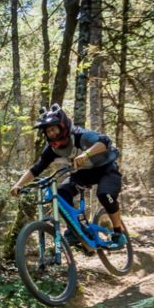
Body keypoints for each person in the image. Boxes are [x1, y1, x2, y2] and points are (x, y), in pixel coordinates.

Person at [10, 103, 125, 248]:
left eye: (53, 129)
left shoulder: (80, 136)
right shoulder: (51, 150)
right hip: (84, 174)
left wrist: (86, 154)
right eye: (48, 131)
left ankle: (118, 233)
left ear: (62, 126)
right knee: (62, 193)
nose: (51, 134)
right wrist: (18, 184)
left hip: (106, 169)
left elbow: (105, 142)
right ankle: (75, 230)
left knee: (104, 194)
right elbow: (36, 169)